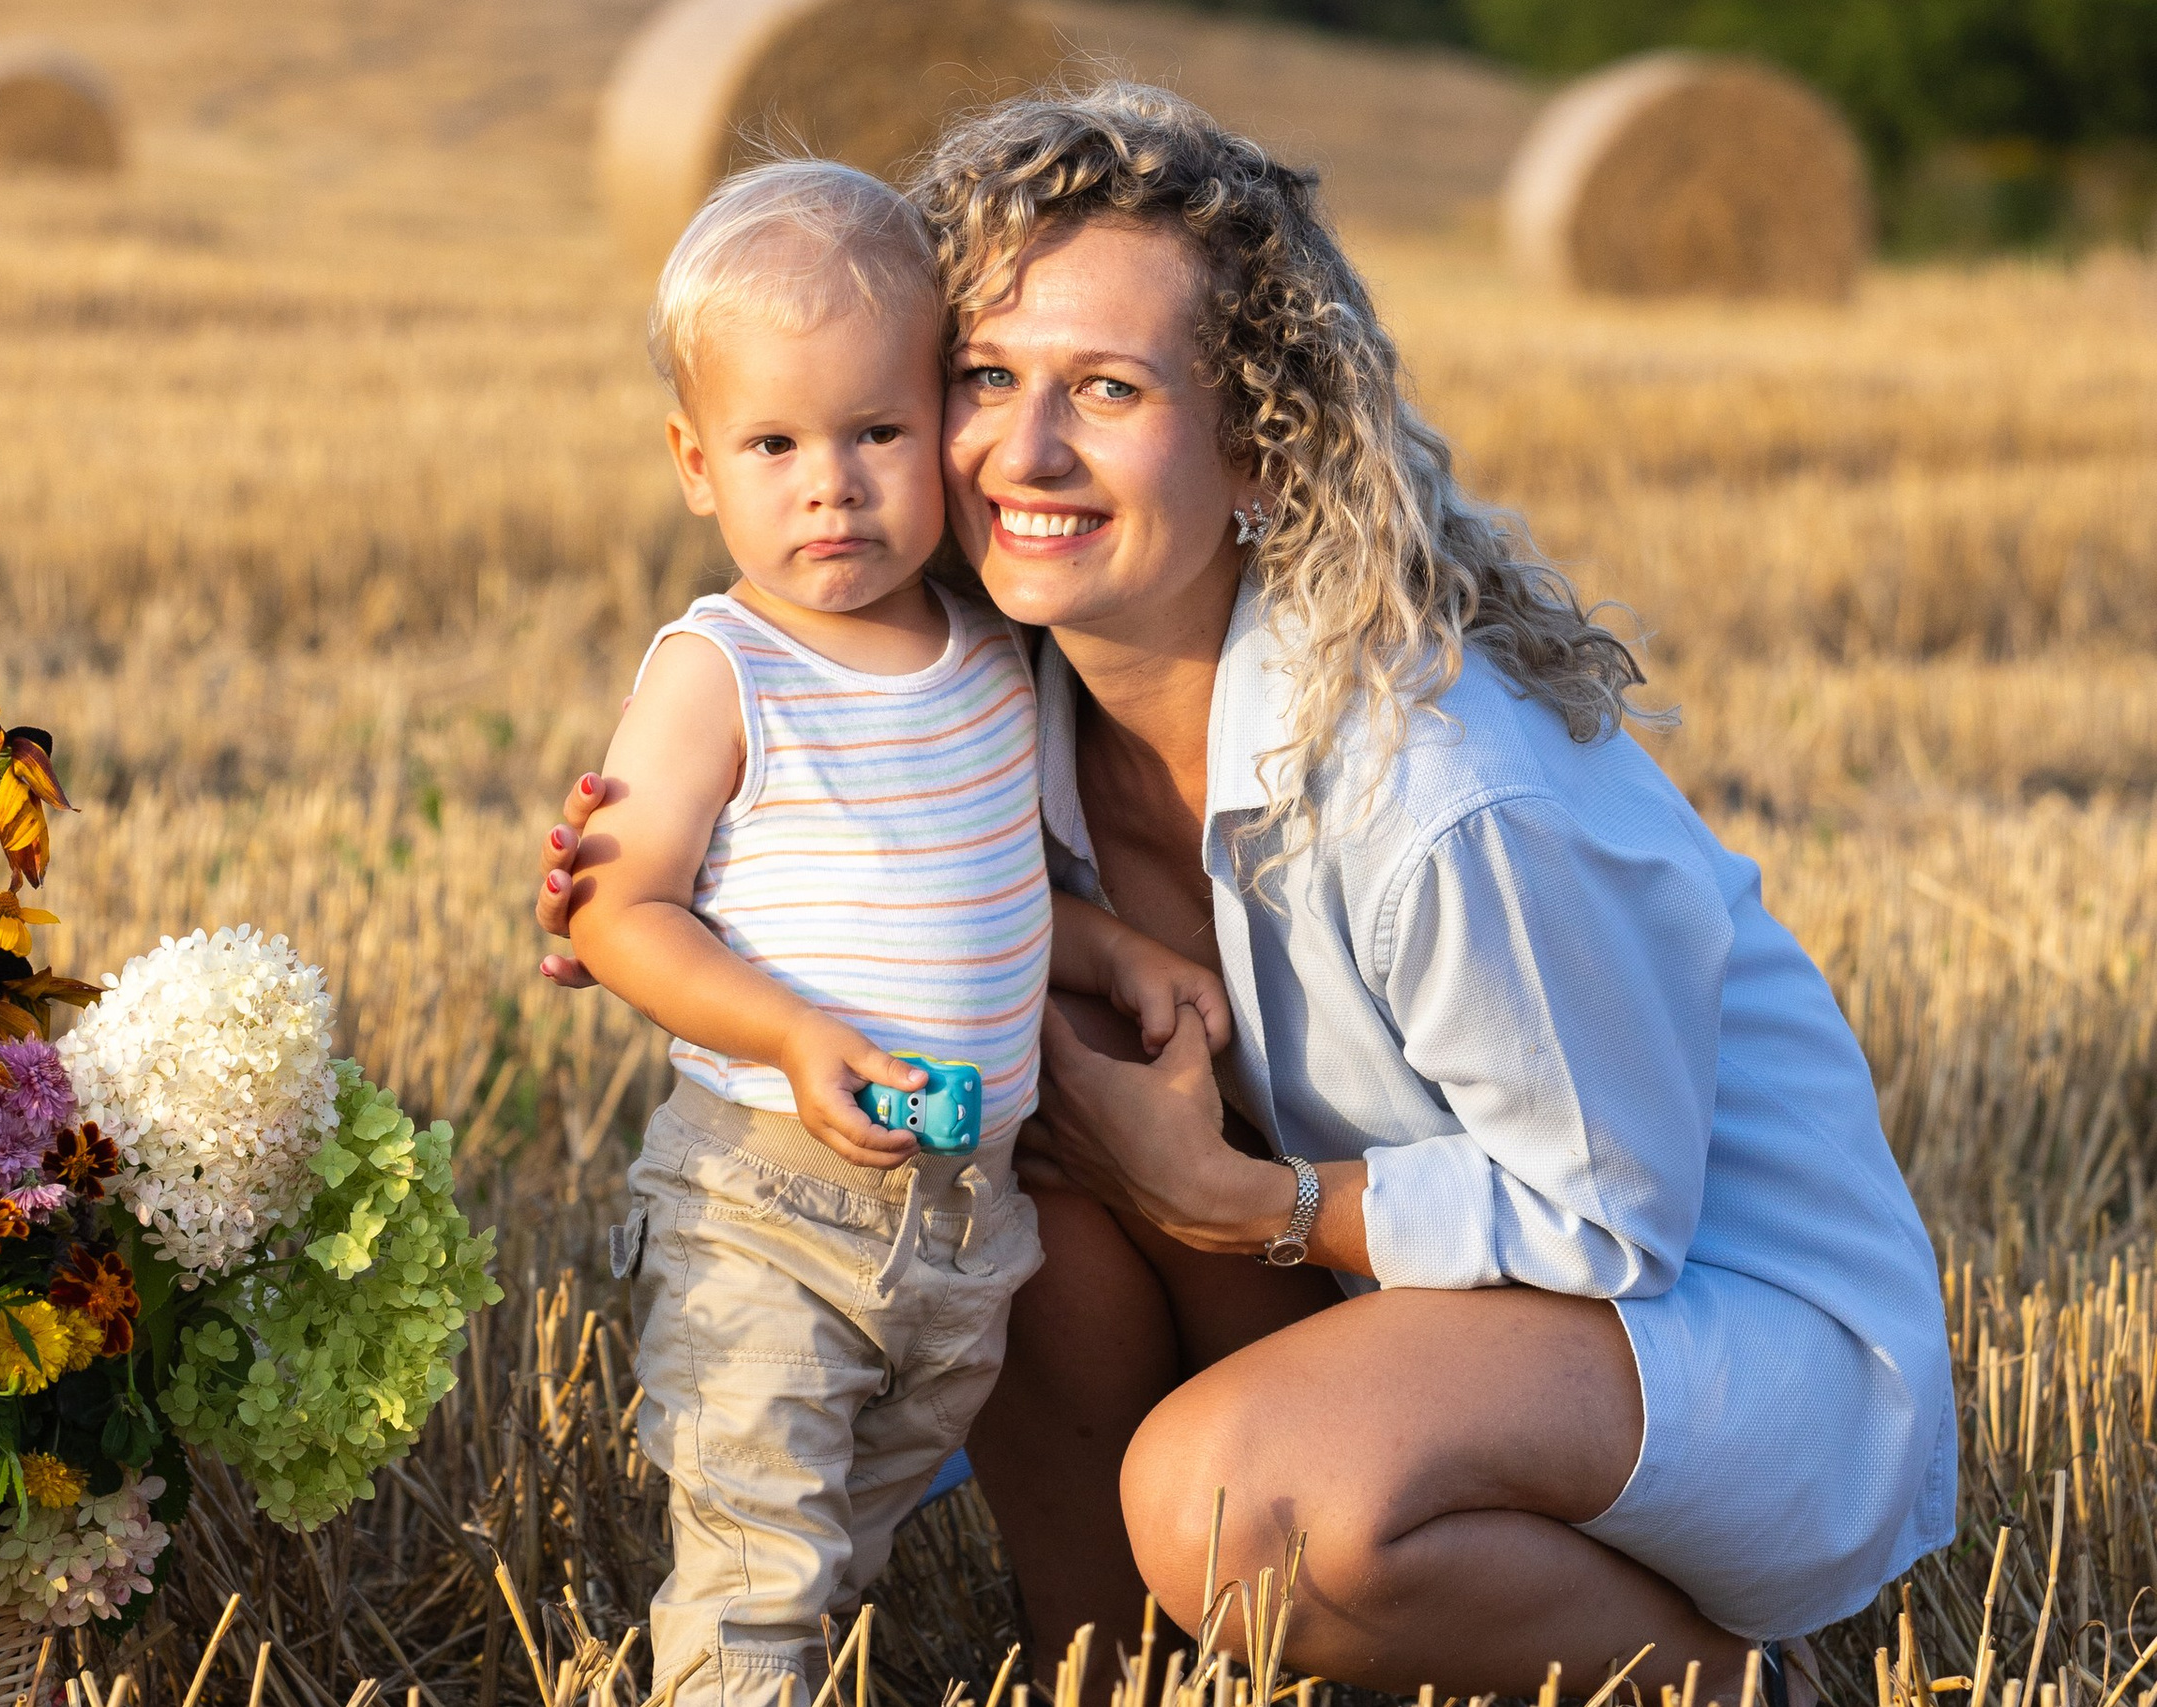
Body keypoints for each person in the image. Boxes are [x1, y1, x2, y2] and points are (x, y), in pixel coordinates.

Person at [543, 85, 1955, 1700]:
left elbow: (1608, 1216)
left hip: (1696, 1326)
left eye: (1110, 390)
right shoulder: (1005, 699)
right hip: (1399, 1297)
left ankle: (1730, 1682)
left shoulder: (1433, 788)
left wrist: (1244, 1208)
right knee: (1027, 1212)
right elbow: (811, 884)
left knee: (1238, 1505)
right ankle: (1117, 1673)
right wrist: (650, 887)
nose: (1027, 448)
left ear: (1259, 448)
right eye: (986, 379)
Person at [561, 158, 1229, 1707]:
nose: (832, 484)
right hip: (768, 1206)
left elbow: (984, 881)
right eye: (774, 443)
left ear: (944, 426)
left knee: (838, 1543)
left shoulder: (989, 653)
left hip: (961, 1221)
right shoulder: (719, 669)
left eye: (879, 432)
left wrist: (1114, 953)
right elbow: (616, 905)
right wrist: (788, 1034)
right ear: (691, 460)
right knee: (762, 1562)